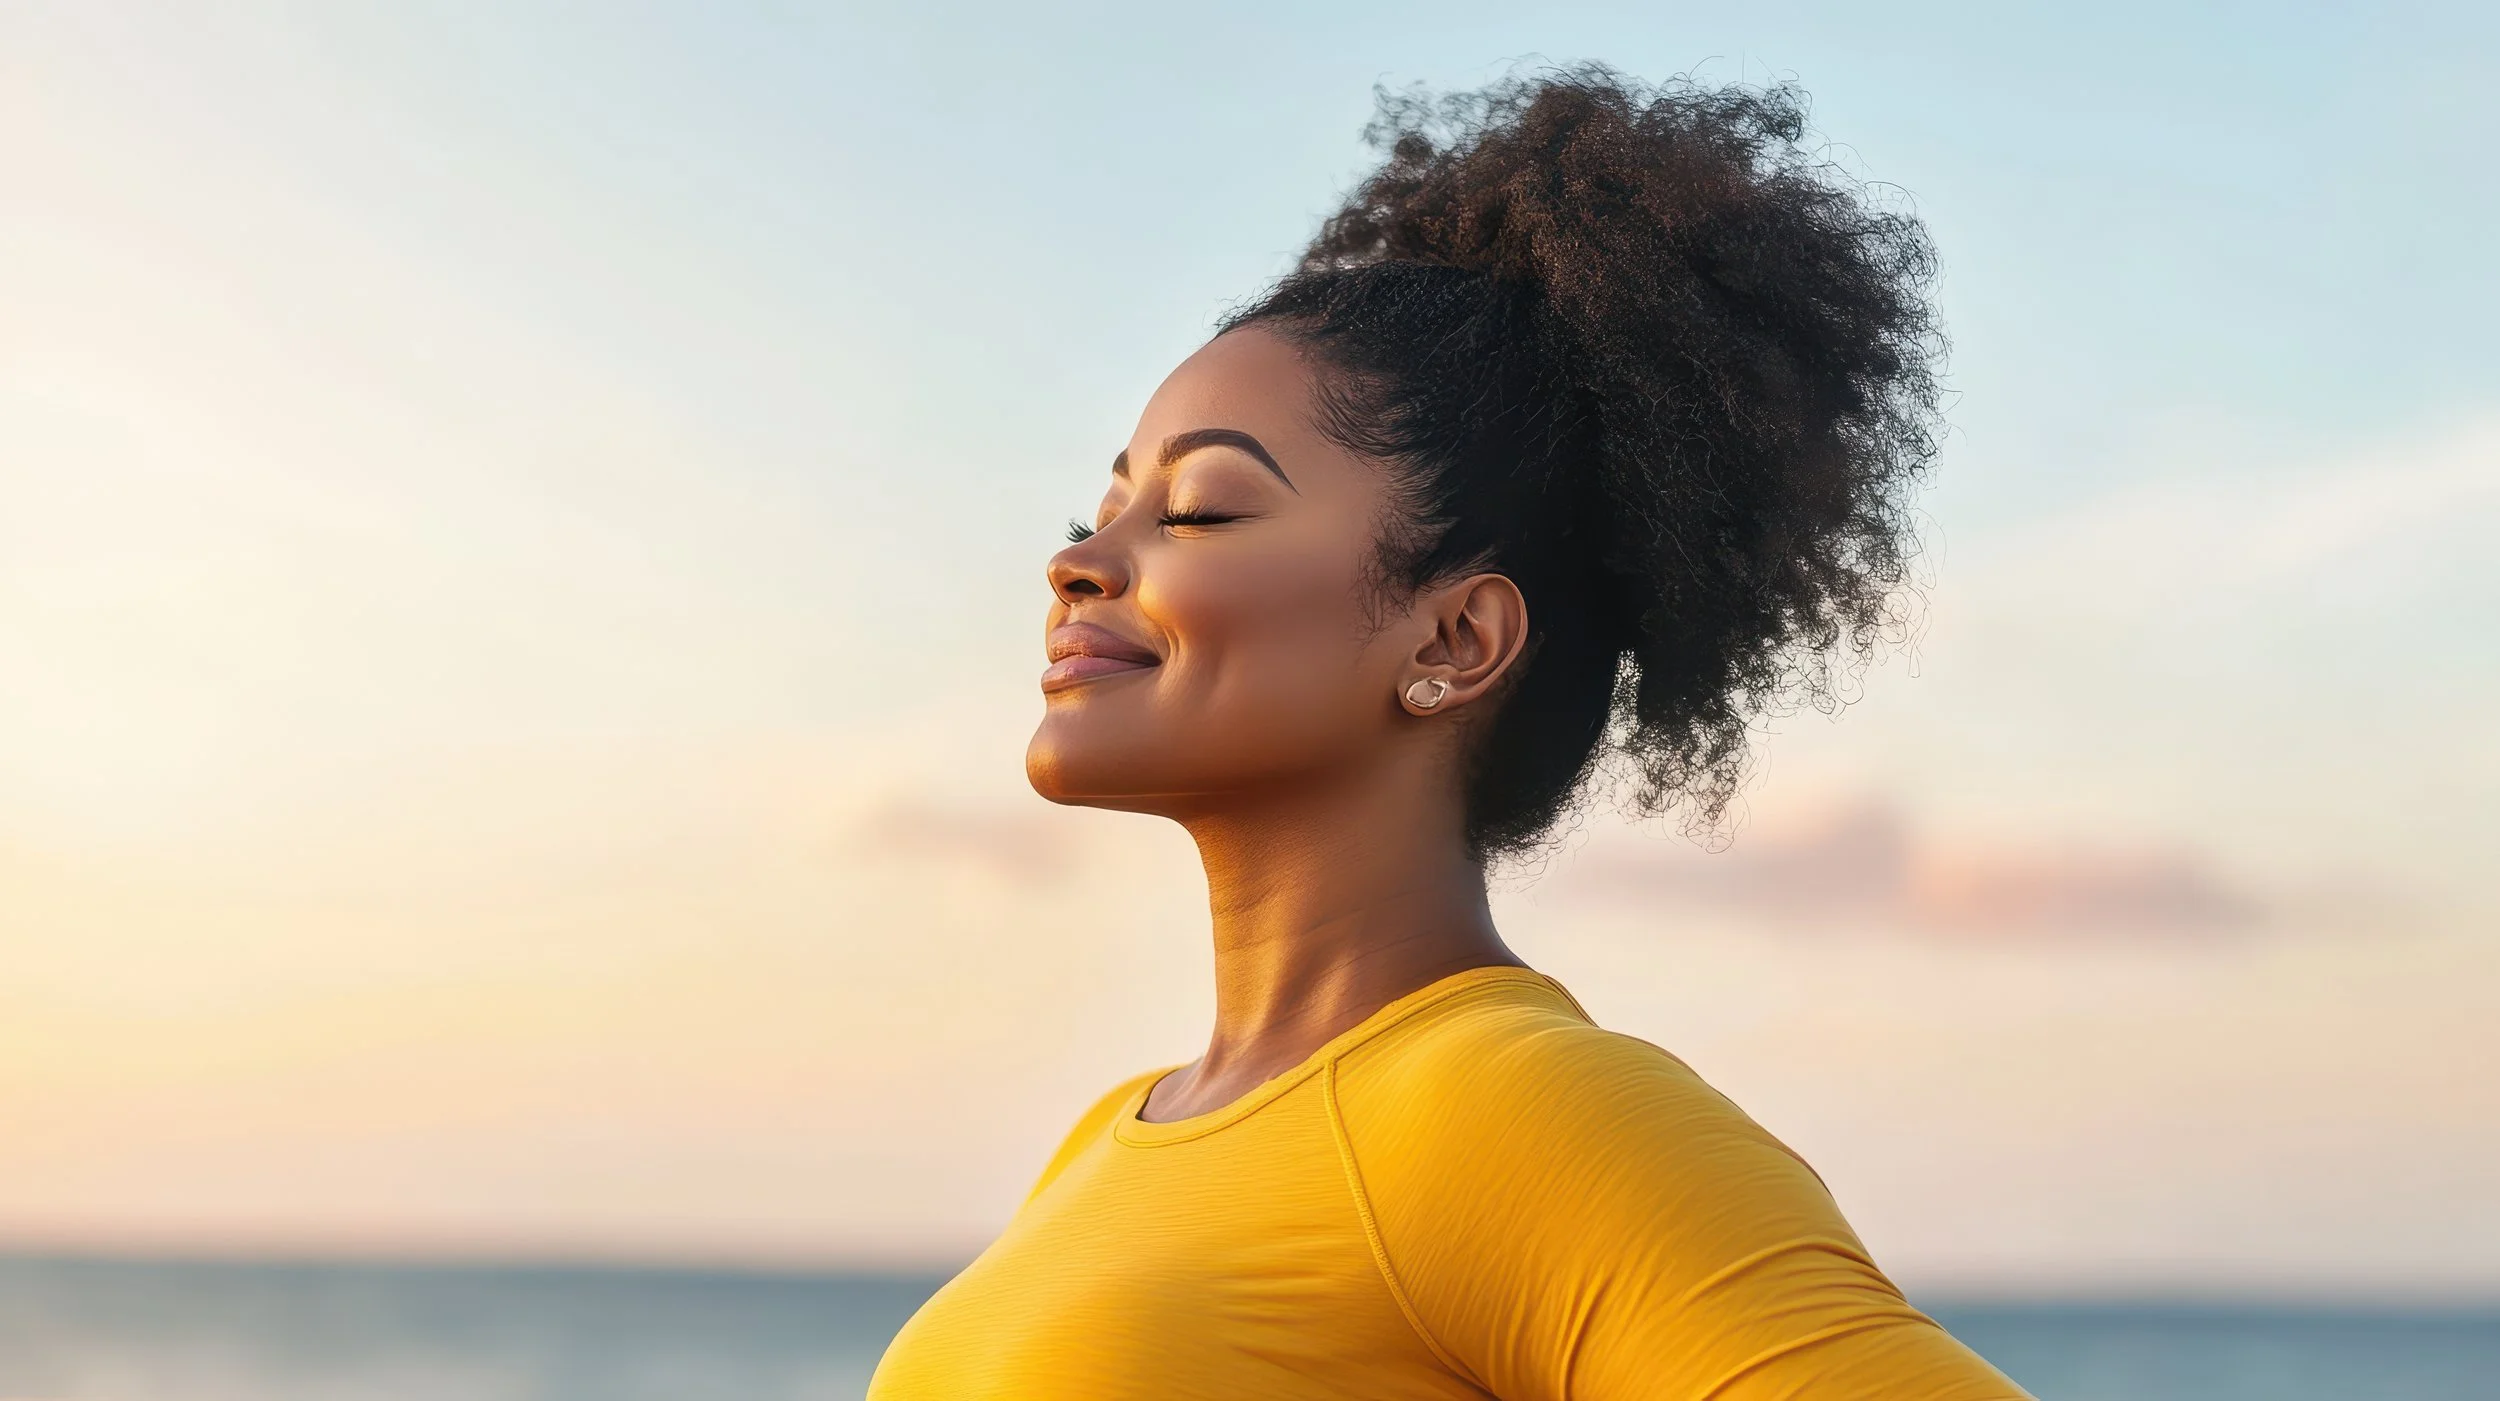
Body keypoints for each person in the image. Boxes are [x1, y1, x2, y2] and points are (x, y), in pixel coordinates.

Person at [868, 67, 2030, 1400]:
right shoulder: (1104, 1142)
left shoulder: (1514, 1115)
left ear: (1453, 641)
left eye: (1197, 510)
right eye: (1106, 509)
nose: (1082, 560)